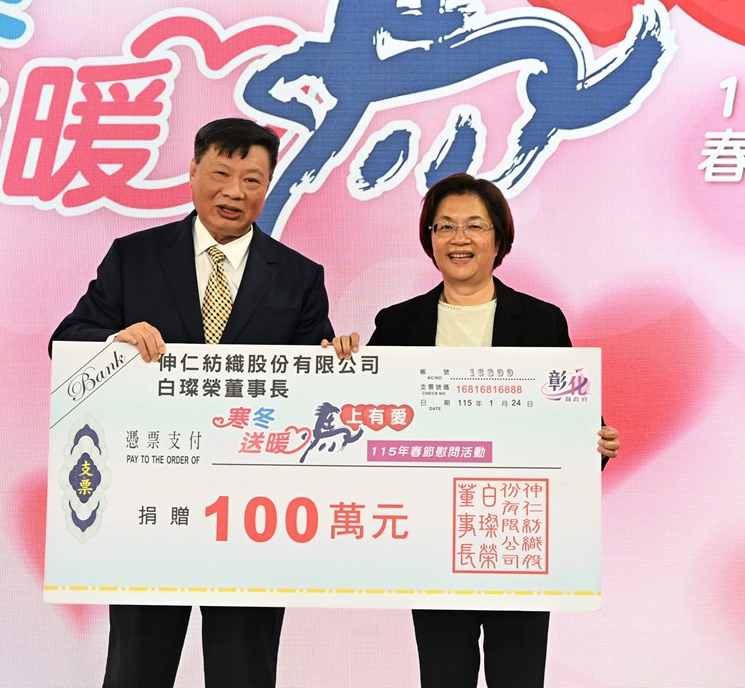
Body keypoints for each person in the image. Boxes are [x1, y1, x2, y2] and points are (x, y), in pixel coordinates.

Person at [51, 118, 344, 688]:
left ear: (268, 186)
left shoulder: (299, 277)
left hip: (251, 518)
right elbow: (67, 342)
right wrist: (115, 342)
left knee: (244, 673)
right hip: (150, 508)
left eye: (252, 180)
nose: (235, 192)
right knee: (136, 671)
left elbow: (314, 387)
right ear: (192, 171)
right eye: (221, 174)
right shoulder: (134, 257)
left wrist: (336, 362)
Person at [328, 172, 620, 688]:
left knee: (519, 676)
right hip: (432, 536)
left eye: (474, 226)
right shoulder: (397, 324)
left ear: (499, 239)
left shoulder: (541, 321)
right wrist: (339, 369)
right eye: (444, 226)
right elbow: (363, 427)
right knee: (443, 675)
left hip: (517, 532)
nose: (458, 238)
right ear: (430, 239)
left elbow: (574, 425)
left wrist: (597, 444)